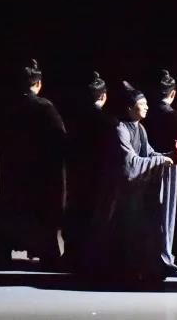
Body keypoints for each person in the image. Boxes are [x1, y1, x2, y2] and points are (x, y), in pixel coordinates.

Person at [83, 82, 177, 283]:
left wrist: (171, 155)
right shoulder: (120, 129)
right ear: (129, 108)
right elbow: (129, 164)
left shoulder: (140, 129)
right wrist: (162, 160)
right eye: (143, 104)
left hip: (135, 194)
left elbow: (149, 154)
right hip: (118, 194)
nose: (147, 107)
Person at [0, 59, 67, 265]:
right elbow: (60, 140)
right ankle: (44, 251)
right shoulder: (45, 108)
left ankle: (4, 249)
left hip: (12, 170)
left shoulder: (7, 107)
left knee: (13, 210)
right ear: (38, 83)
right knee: (39, 213)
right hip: (39, 173)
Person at [63, 71, 115, 269]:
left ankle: (73, 255)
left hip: (78, 175)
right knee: (97, 216)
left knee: (77, 213)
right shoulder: (109, 123)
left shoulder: (75, 121)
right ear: (103, 96)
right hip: (100, 177)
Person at [144, 69, 177, 265]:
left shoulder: (145, 115)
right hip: (173, 174)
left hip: (146, 171)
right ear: (173, 93)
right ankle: (175, 254)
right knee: (174, 214)